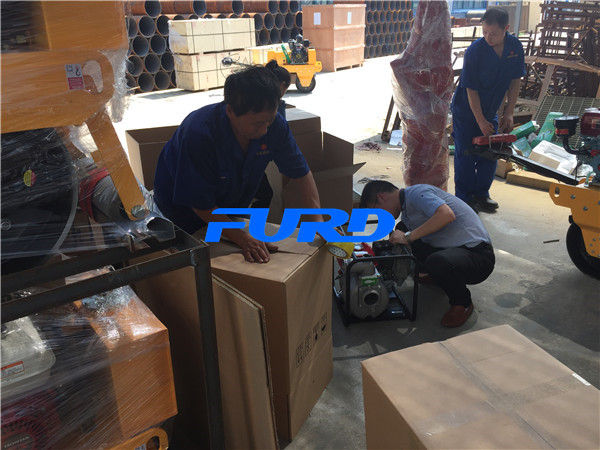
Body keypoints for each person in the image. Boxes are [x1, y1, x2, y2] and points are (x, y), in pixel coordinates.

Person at [153, 64, 321, 263]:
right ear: (230, 111)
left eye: (268, 121)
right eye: (257, 123)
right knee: (198, 265)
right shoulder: (199, 134)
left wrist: (317, 221)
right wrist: (242, 238)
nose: (264, 130)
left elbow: (300, 173)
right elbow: (199, 203)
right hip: (184, 213)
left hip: (230, 206)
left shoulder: (275, 126)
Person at [359, 180, 495, 327]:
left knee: (435, 260)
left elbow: (446, 215)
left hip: (478, 255)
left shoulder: (417, 193)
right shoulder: (407, 209)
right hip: (456, 249)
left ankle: (462, 303)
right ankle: (437, 276)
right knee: (402, 228)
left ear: (381, 197)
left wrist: (407, 237)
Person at [451, 7, 526, 212]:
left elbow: (515, 81)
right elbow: (471, 89)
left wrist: (509, 112)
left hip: (491, 108)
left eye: (493, 33)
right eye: (484, 32)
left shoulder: (515, 47)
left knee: (490, 151)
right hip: (466, 110)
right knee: (466, 152)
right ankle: (465, 198)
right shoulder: (475, 51)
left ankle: (482, 194)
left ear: (506, 29)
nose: (487, 37)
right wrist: (480, 121)